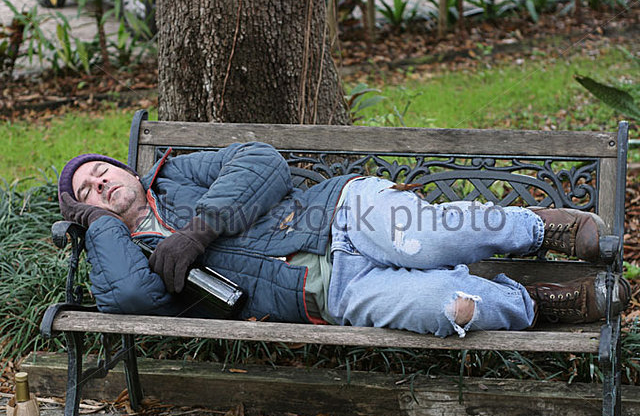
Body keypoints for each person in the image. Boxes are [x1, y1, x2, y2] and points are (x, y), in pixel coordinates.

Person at [57, 142, 630, 338]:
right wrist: (107, 226)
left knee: (421, 243)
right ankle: (536, 305)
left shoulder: (176, 175)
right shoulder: (128, 255)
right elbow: (132, 301)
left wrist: (197, 232)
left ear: (126, 169)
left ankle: (539, 228)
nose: (100, 182)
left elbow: (261, 162)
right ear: (85, 211)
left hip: (340, 213)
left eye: (101, 170)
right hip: (325, 293)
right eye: (87, 190)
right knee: (447, 308)